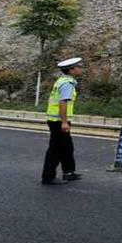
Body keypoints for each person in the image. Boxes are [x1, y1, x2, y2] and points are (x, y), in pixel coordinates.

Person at [41, 57, 84, 185]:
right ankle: (48, 177)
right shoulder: (67, 84)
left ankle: (69, 172)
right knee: (56, 149)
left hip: (56, 119)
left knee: (67, 147)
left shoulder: (63, 80)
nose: (81, 69)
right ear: (71, 70)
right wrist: (64, 122)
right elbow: (63, 103)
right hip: (58, 121)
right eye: (78, 67)